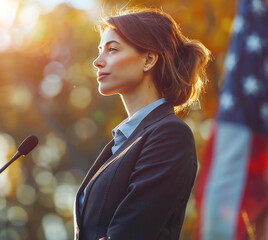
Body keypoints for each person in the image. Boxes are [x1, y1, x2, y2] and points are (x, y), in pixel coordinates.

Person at [73, 7, 210, 240]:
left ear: (148, 59)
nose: (97, 61)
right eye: (99, 51)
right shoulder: (124, 141)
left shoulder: (170, 134)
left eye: (112, 50)